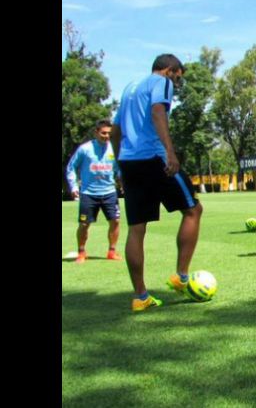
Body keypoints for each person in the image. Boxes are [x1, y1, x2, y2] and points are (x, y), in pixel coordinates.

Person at [111, 53, 204, 312]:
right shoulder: (161, 82)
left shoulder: (129, 87)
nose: (177, 82)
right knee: (193, 210)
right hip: (154, 157)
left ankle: (140, 296)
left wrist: (120, 163)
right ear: (169, 70)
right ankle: (181, 276)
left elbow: (116, 130)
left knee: (136, 228)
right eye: (178, 77)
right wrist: (170, 152)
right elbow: (157, 112)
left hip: (130, 162)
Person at [65, 119, 123, 264]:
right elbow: (71, 167)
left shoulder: (114, 149)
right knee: (84, 224)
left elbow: (119, 168)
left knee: (115, 221)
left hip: (109, 192)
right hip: (89, 193)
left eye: (109, 133)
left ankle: (111, 251)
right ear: (96, 132)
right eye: (103, 133)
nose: (107, 136)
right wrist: (73, 186)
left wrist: (122, 181)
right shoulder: (85, 149)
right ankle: (81, 252)